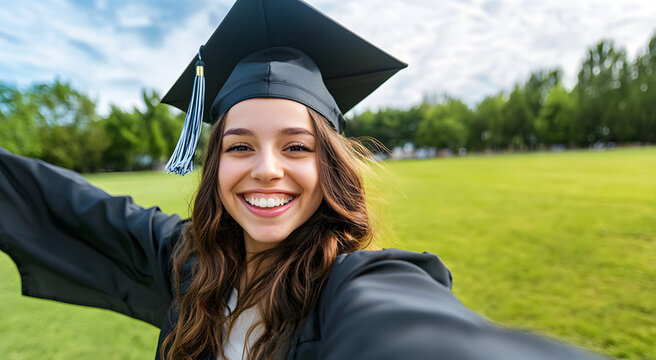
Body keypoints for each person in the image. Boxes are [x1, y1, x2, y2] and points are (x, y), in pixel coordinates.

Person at [0, 0, 607, 359]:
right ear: (216, 168)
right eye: (240, 146)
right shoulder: (185, 258)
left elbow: (416, 337)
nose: (266, 167)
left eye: (296, 145)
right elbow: (49, 200)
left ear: (329, 167)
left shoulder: (354, 286)